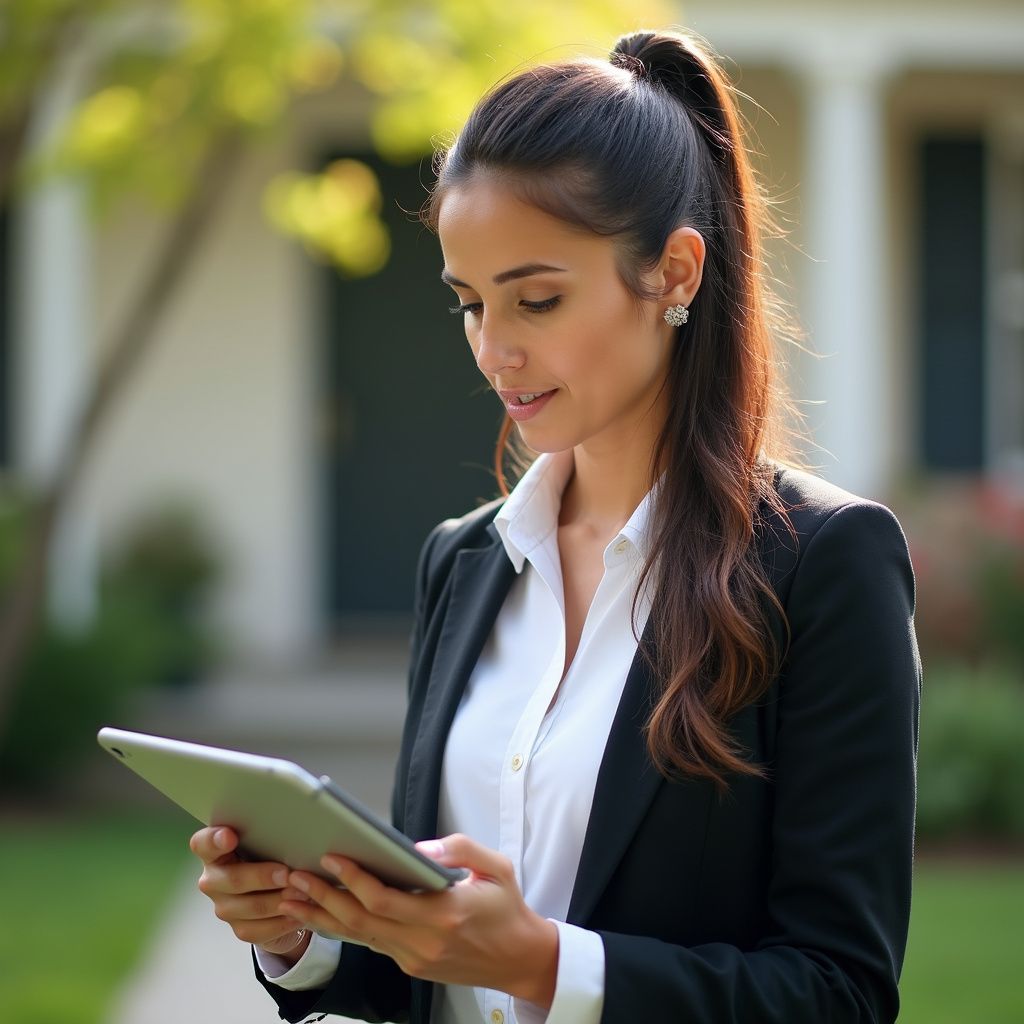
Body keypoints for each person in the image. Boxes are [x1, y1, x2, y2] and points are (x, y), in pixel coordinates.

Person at [189, 26, 922, 1024]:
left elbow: (838, 994)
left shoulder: (821, 564)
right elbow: (430, 971)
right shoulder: (465, 560)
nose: (495, 351)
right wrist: (301, 934)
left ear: (672, 273)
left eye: (535, 299)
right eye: (468, 304)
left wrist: (545, 965)